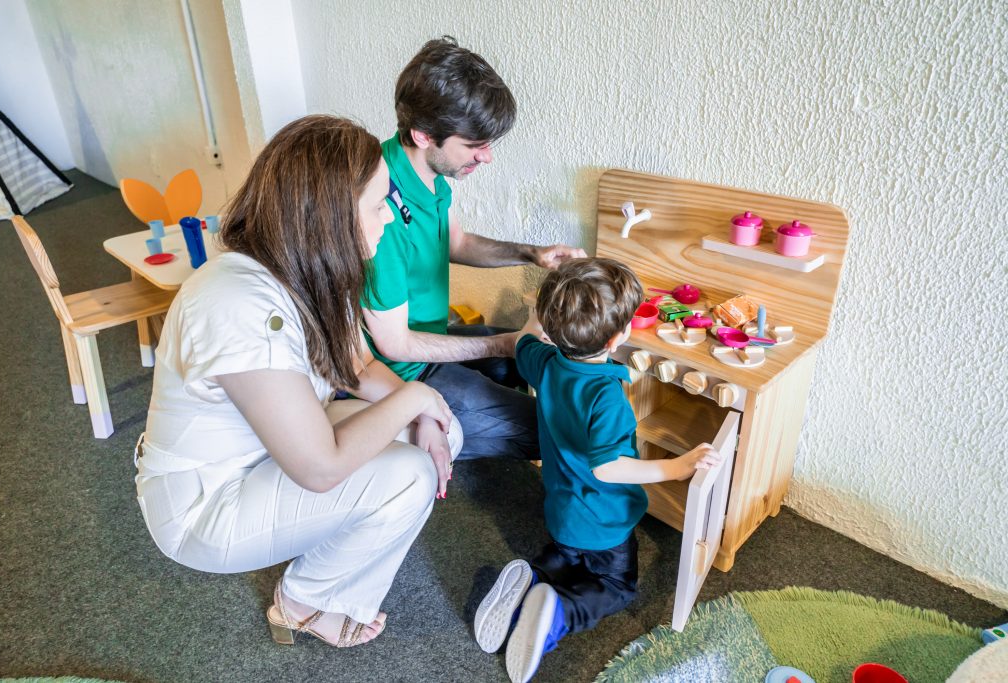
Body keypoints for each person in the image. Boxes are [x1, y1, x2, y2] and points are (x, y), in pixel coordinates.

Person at [135, 115, 463, 649]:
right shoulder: (237, 304)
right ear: (330, 217)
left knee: (443, 434)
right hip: (204, 504)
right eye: (378, 206)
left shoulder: (306, 267)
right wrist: (418, 396)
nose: (387, 222)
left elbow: (354, 366)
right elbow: (319, 467)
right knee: (410, 472)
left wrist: (424, 410)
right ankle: (304, 601)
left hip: (269, 450)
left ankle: (325, 576)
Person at [473, 258, 720, 683]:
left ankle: (536, 576)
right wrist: (676, 466)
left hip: (561, 513)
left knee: (566, 556)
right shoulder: (606, 395)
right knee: (616, 586)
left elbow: (525, 341)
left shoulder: (545, 363)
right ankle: (559, 614)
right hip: (605, 523)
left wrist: (540, 314)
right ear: (619, 335)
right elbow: (607, 468)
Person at [363, 36, 586, 461]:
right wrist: (503, 342)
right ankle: (413, 430)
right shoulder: (379, 208)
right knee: (550, 434)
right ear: (424, 135)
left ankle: (469, 415)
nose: (487, 158)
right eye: (474, 145)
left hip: (430, 336)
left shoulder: (430, 172)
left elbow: (456, 242)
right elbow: (395, 345)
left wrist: (530, 253)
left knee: (527, 362)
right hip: (402, 369)